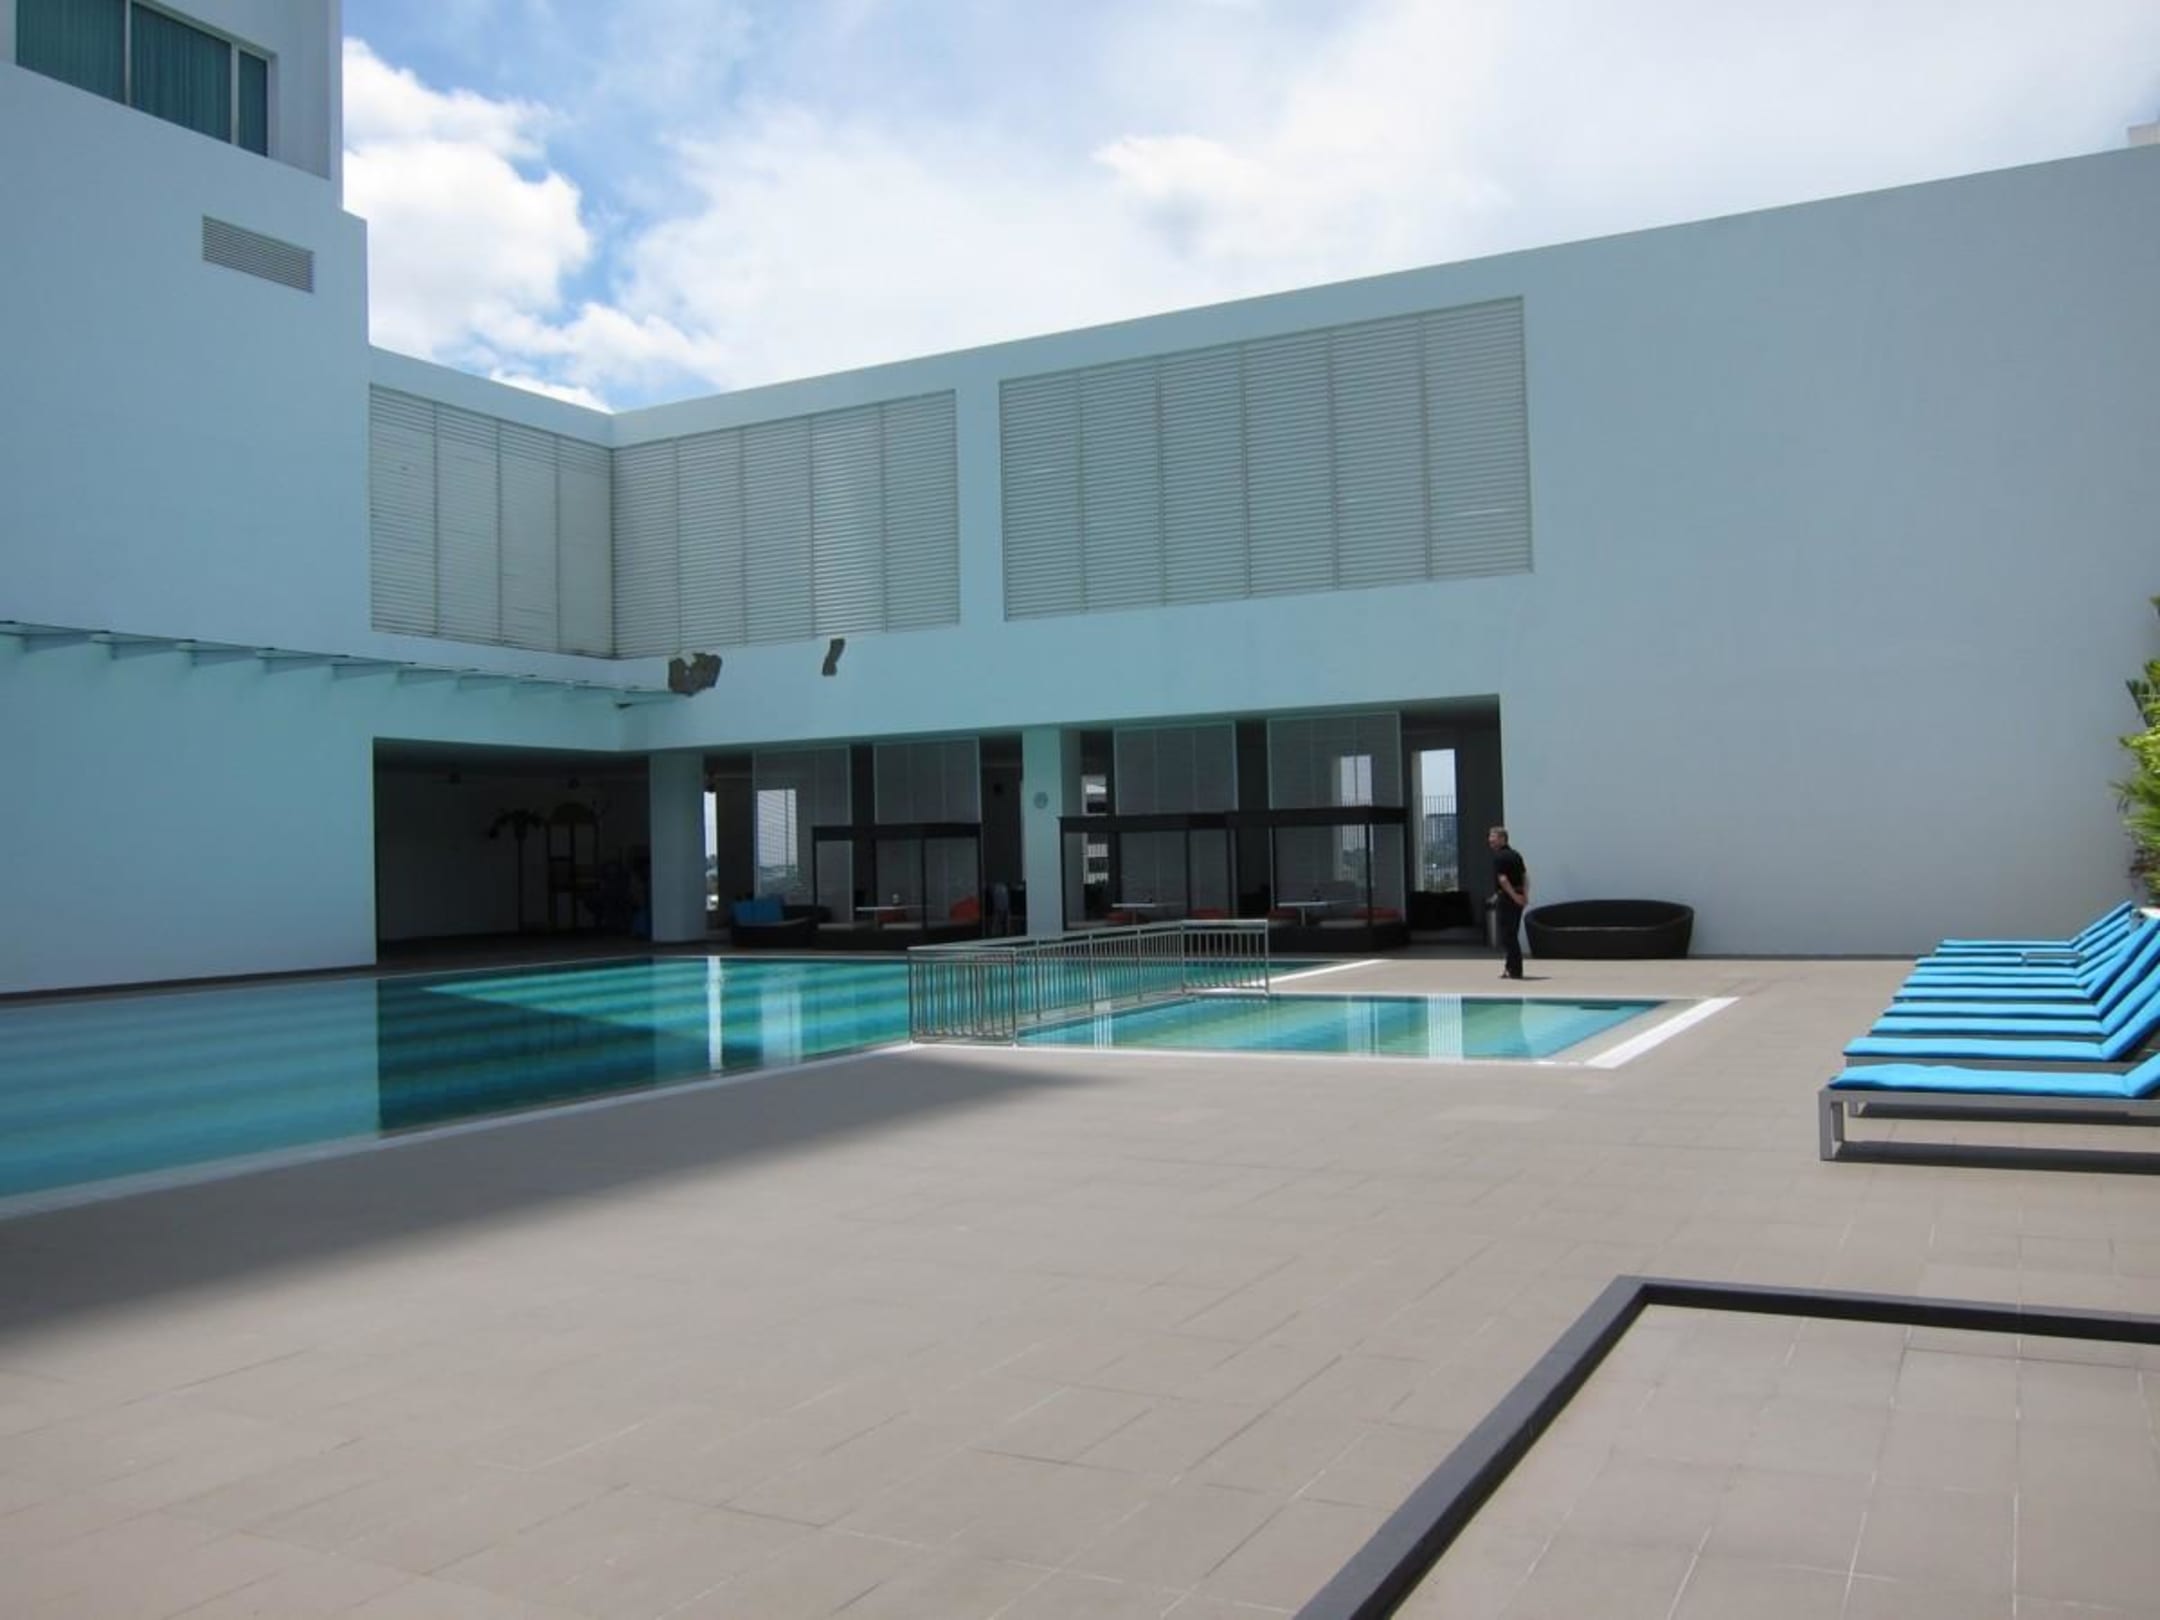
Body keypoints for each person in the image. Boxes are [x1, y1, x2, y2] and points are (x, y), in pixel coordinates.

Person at [1489, 825, 1528, 979]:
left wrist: (1513, 896)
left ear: (1502, 839)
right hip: (1517, 895)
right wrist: (1523, 895)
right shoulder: (1516, 855)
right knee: (1512, 933)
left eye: (1493, 837)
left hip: (1507, 898)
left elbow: (1503, 879)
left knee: (1508, 935)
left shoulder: (1499, 857)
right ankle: (1509, 967)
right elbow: (1525, 877)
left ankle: (1516, 970)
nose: (1490, 840)